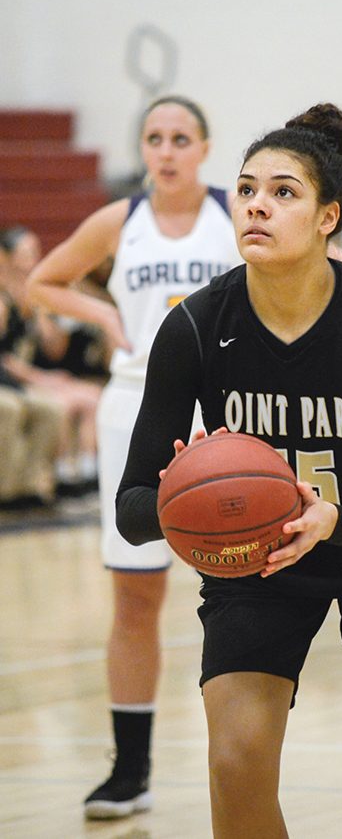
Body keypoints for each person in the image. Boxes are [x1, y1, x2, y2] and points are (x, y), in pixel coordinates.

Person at [115, 103, 342, 838]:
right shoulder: (193, 325)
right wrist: (182, 493)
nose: (257, 204)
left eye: (284, 192)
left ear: (327, 218)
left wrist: (330, 520)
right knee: (236, 760)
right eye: (247, 189)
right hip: (258, 555)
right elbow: (131, 508)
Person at [26, 95, 243, 820]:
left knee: (240, 593)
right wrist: (106, 315)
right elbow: (43, 281)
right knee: (136, 597)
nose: (167, 150)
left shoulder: (234, 213)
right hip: (134, 407)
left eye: (181, 137)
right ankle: (132, 770)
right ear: (144, 148)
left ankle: (242, 757)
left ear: (205, 147)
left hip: (223, 417)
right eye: (155, 138)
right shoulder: (119, 222)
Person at [0, 226, 102, 494]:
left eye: (35, 252)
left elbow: (55, 350)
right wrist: (42, 378)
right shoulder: (3, 299)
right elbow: (6, 358)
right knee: (63, 404)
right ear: (6, 257)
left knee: (93, 397)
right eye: (25, 253)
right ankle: (60, 475)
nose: (32, 259)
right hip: (17, 376)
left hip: (35, 373)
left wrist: (45, 312)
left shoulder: (36, 295)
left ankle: (87, 473)